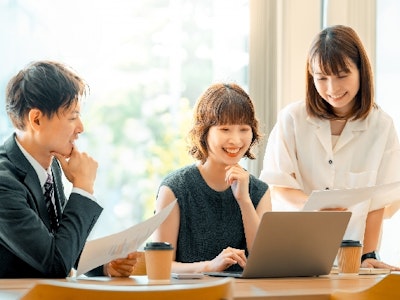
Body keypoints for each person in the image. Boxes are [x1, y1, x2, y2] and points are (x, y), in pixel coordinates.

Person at [260, 25, 400, 270]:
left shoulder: (381, 126)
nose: (332, 89)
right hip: (294, 249)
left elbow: (377, 203)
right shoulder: (292, 119)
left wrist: (368, 256)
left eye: (342, 75)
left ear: (361, 71)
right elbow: (279, 186)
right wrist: (315, 209)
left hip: (351, 257)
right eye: (322, 78)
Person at [0, 60, 138, 278]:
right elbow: (54, 264)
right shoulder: (4, 183)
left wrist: (104, 265)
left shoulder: (51, 164)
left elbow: (58, 242)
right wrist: (82, 187)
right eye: (72, 117)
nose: (81, 128)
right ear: (36, 119)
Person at [153, 83, 271, 273]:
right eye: (225, 129)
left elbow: (265, 262)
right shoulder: (175, 189)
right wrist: (210, 266)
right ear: (204, 132)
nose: (236, 140)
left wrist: (244, 200)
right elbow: (160, 266)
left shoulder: (259, 191)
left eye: (244, 129)